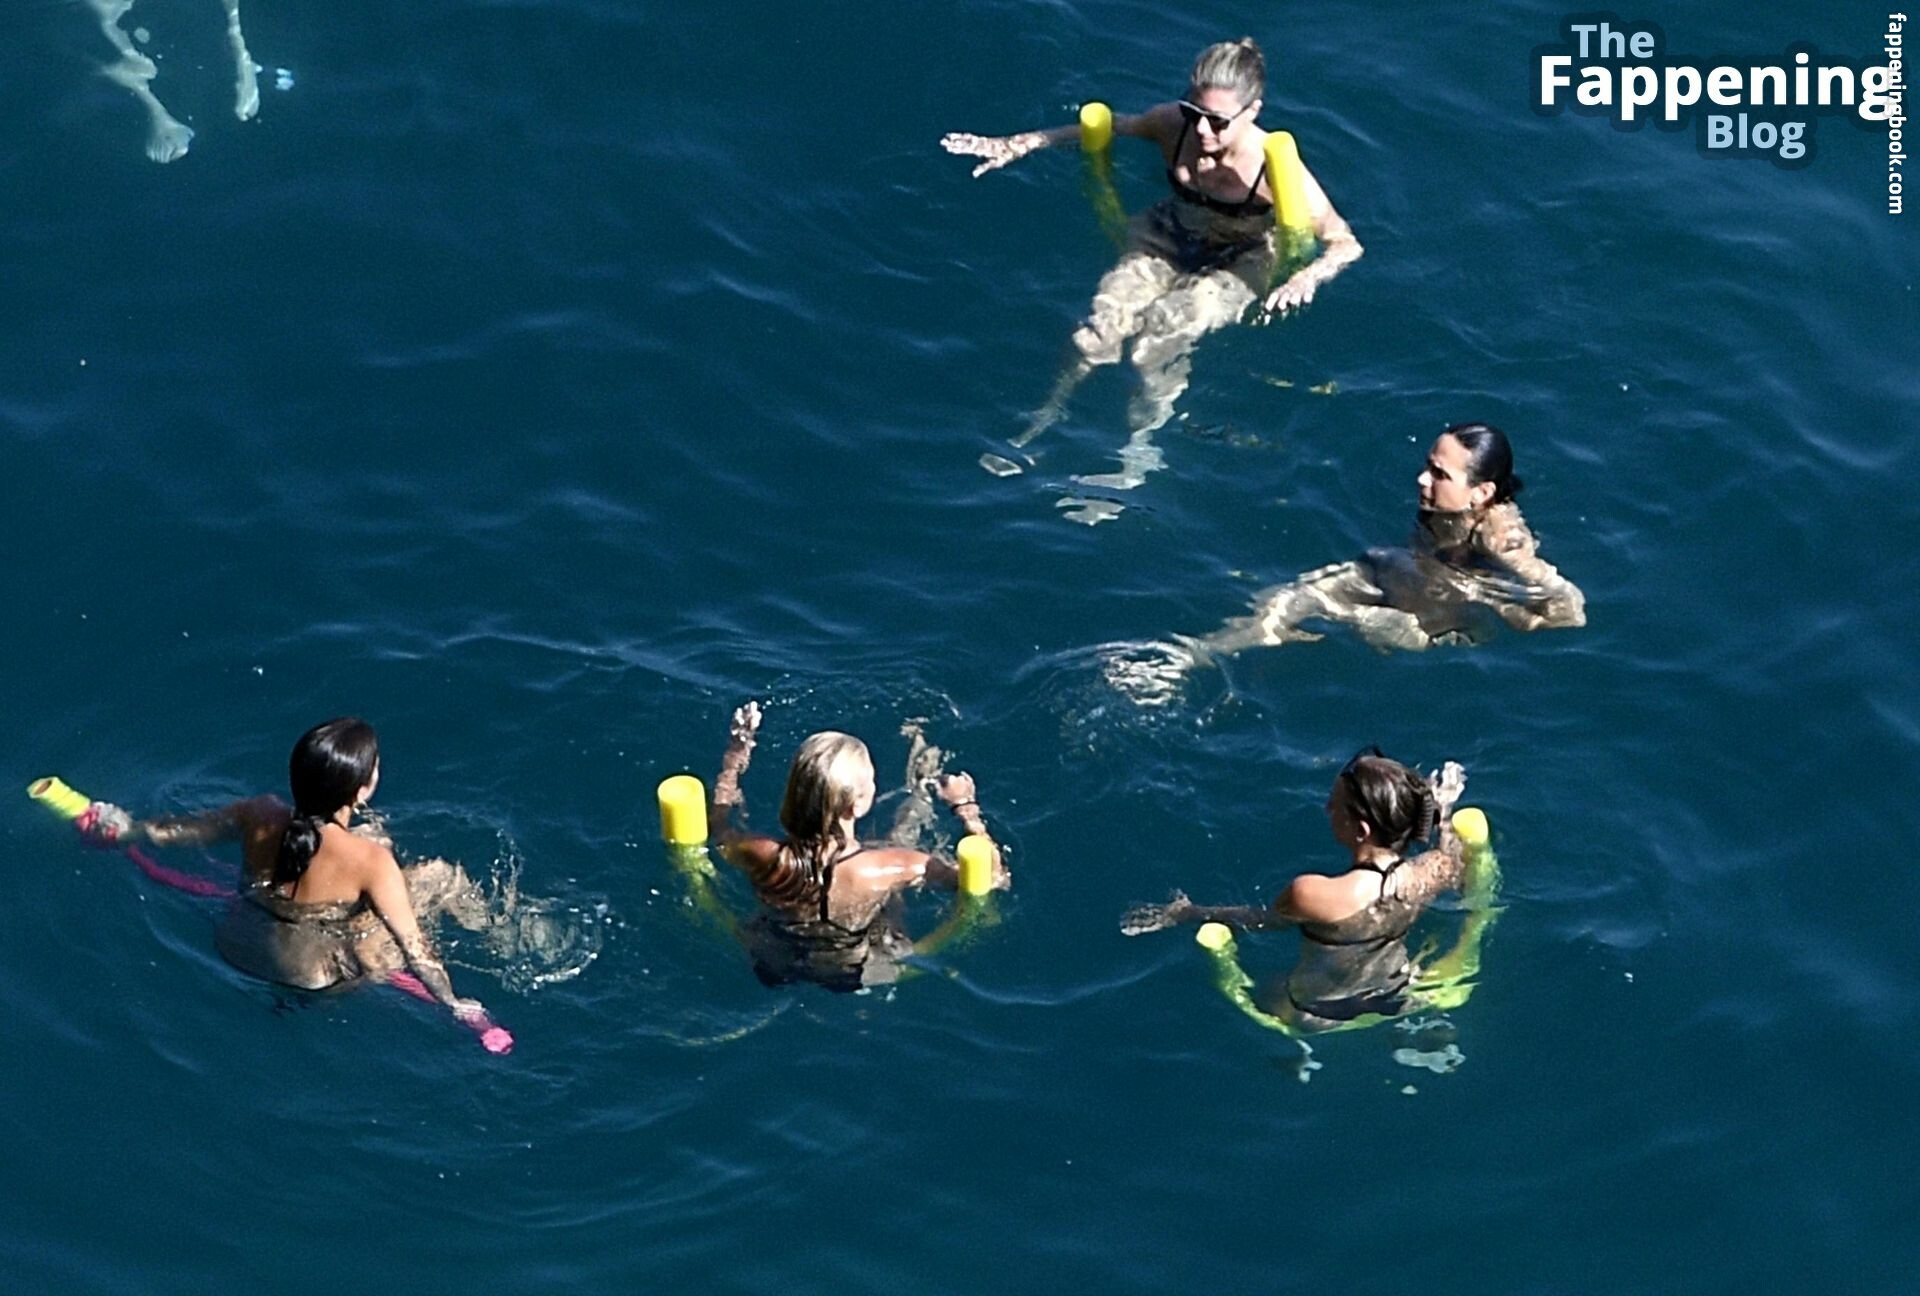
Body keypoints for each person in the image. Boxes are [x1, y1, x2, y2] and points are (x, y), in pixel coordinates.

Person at [943, 37, 1361, 520]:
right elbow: (1109, 127)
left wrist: (1307, 277)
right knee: (1095, 333)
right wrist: (1018, 144)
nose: (1201, 129)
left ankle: (1138, 454)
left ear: (1253, 112)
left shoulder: (1274, 168)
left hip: (1243, 255)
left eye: (1218, 121)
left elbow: (1345, 242)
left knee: (1157, 340)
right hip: (1169, 232)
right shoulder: (1171, 126)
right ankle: (1040, 422)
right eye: (1193, 112)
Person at [1107, 422, 1584, 702]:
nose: (1422, 479)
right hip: (1405, 573)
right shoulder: (1449, 505)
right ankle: (1190, 657)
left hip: (1435, 623)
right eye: (1427, 464)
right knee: (1289, 597)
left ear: (1481, 493)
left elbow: (1571, 613)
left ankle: (1247, 659)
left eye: (1439, 474)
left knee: (1356, 614)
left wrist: (1510, 583)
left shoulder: (1502, 536)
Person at [84, 718, 489, 1020]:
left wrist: (122, 829)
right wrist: (454, 1003)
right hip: (312, 980)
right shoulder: (373, 862)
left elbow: (175, 832)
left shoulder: (259, 812)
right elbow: (415, 949)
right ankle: (494, 930)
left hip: (237, 947)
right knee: (441, 877)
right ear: (362, 790)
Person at [1121, 749, 1491, 1032]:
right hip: (1396, 997)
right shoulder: (1428, 874)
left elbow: (1262, 920)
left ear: (1361, 830)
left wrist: (1187, 912)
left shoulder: (1312, 893)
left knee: (1266, 991)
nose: (1327, 808)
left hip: (1320, 1015)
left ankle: (1293, 1058)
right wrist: (1443, 810)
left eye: (1336, 804)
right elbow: (1454, 859)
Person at [705, 702, 1008, 992]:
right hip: (854, 972)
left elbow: (717, 831)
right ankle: (923, 787)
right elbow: (993, 877)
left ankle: (921, 780)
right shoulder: (891, 867)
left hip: (772, 960)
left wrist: (734, 758)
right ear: (857, 805)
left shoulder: (761, 852)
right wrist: (965, 807)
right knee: (898, 843)